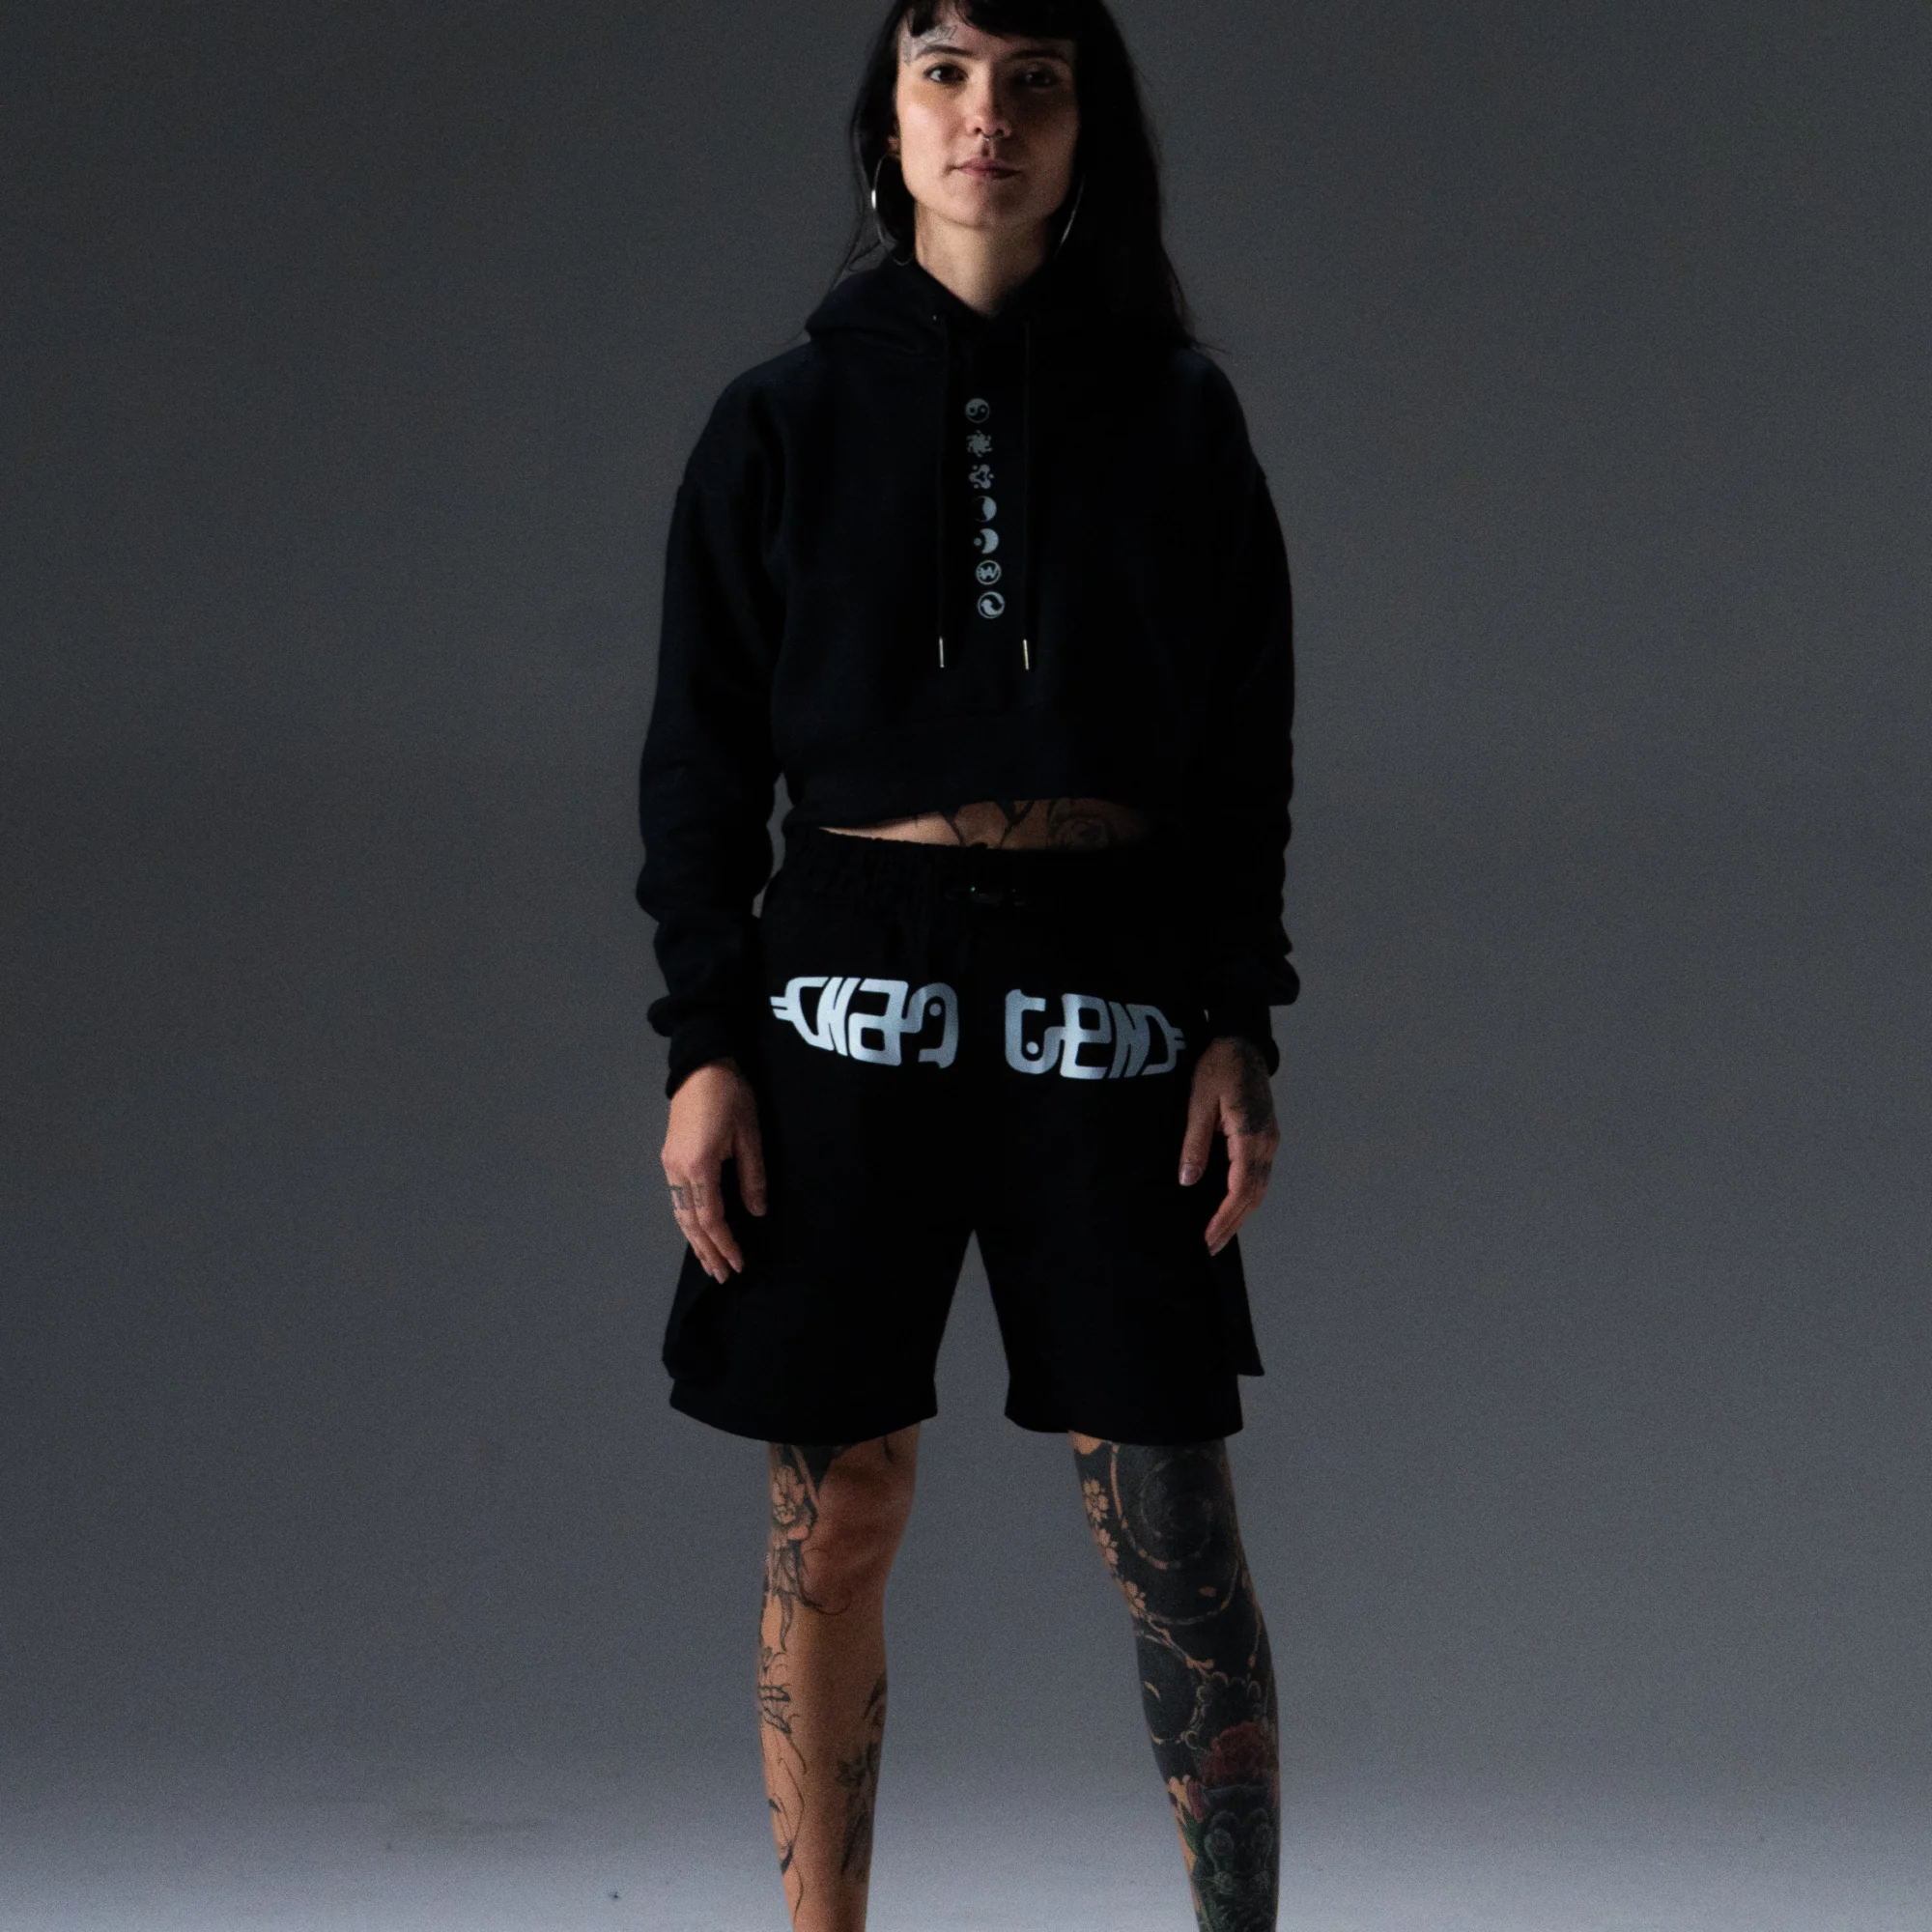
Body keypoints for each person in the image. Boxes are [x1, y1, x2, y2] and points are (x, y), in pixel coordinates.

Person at [635, 4, 1297, 1927]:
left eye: (1034, 79)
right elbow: (699, 761)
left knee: (1170, 1515)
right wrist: (705, 1042)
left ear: (1089, 129)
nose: (986, 114)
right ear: (886, 122)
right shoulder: (780, 418)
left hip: (1112, 975)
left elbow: (1243, 749)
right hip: (847, 976)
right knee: (833, 1506)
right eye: (943, 70)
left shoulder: (1178, 417)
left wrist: (1236, 1017)